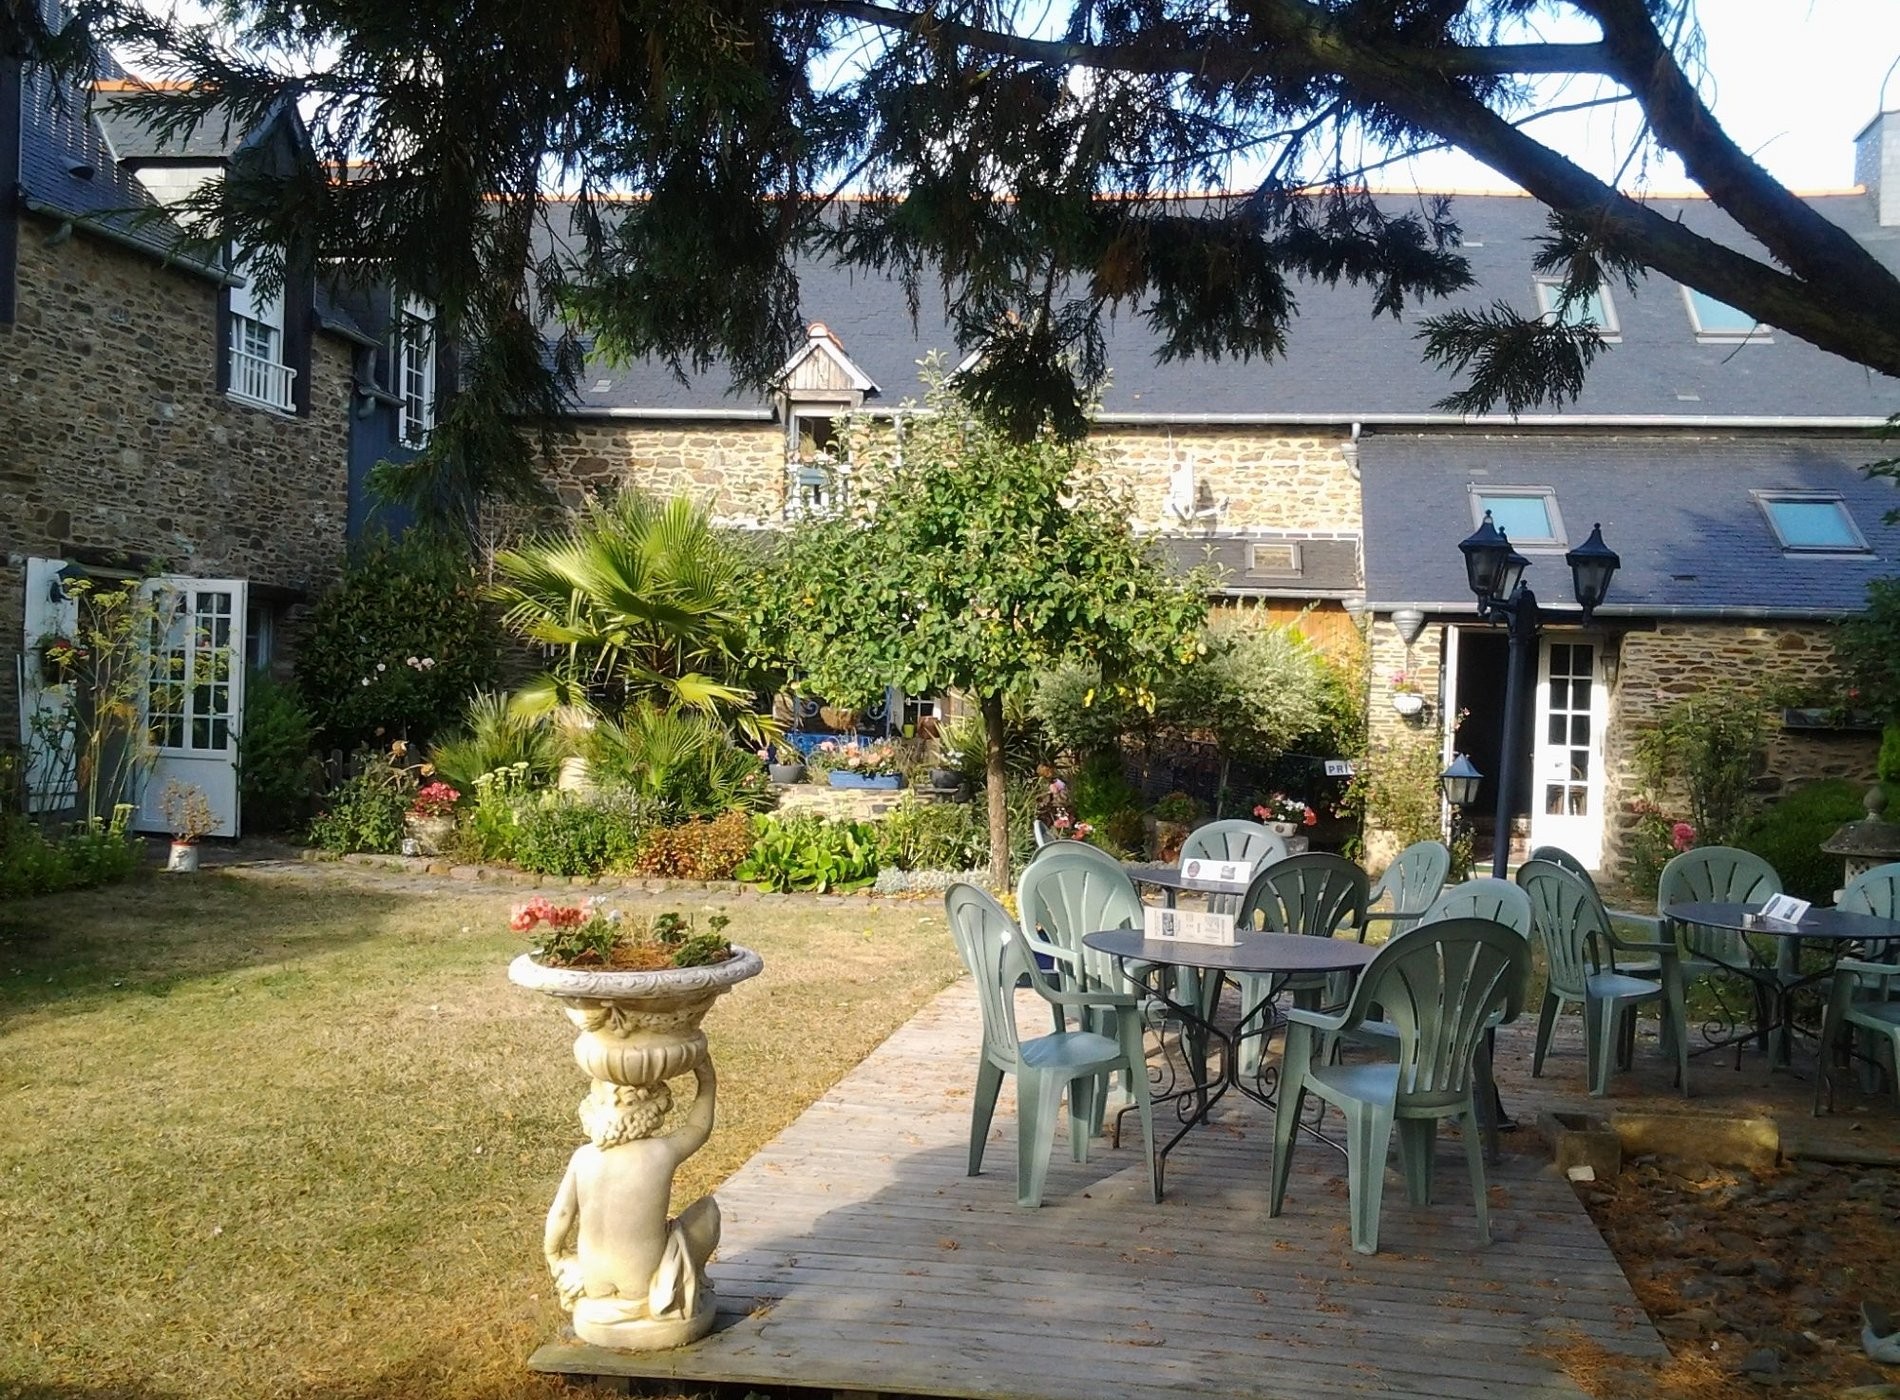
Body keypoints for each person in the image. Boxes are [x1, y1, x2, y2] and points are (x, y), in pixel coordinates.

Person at [543, 1061, 722, 1345]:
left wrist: (556, 1258)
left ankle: (610, 1301)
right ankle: (666, 1295)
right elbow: (698, 1127)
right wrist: (707, 1082)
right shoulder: (660, 1152)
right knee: (708, 1211)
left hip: (593, 1276)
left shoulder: (583, 1157)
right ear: (653, 1107)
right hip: (640, 1277)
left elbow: (562, 1213)